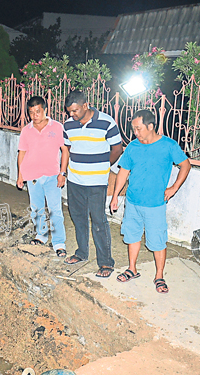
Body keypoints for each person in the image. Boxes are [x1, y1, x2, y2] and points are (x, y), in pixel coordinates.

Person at [110, 109, 191, 293]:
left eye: (138, 129)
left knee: (158, 241)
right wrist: (115, 195)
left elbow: (185, 165)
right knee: (132, 236)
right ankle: (132, 268)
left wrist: (174, 187)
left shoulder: (168, 145)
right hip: (133, 201)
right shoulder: (132, 146)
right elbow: (123, 172)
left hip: (155, 204)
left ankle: (159, 276)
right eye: (134, 129)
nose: (136, 133)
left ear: (151, 126)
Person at [63, 90, 123, 278]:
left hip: (97, 182)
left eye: (75, 111)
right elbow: (69, 147)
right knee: (78, 218)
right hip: (75, 180)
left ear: (85, 105)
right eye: (69, 112)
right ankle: (82, 253)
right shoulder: (68, 125)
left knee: (98, 221)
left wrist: (104, 166)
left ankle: (106, 262)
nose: (71, 115)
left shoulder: (106, 122)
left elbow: (117, 148)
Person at [17, 96, 69, 257]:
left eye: (38, 111)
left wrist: (62, 173)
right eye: (31, 112)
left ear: (45, 110)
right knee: (37, 208)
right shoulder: (26, 130)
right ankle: (41, 236)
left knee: (55, 210)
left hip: (52, 175)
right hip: (32, 176)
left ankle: (59, 243)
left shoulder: (57, 127)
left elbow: (65, 151)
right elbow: (22, 153)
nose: (35, 115)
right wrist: (20, 175)